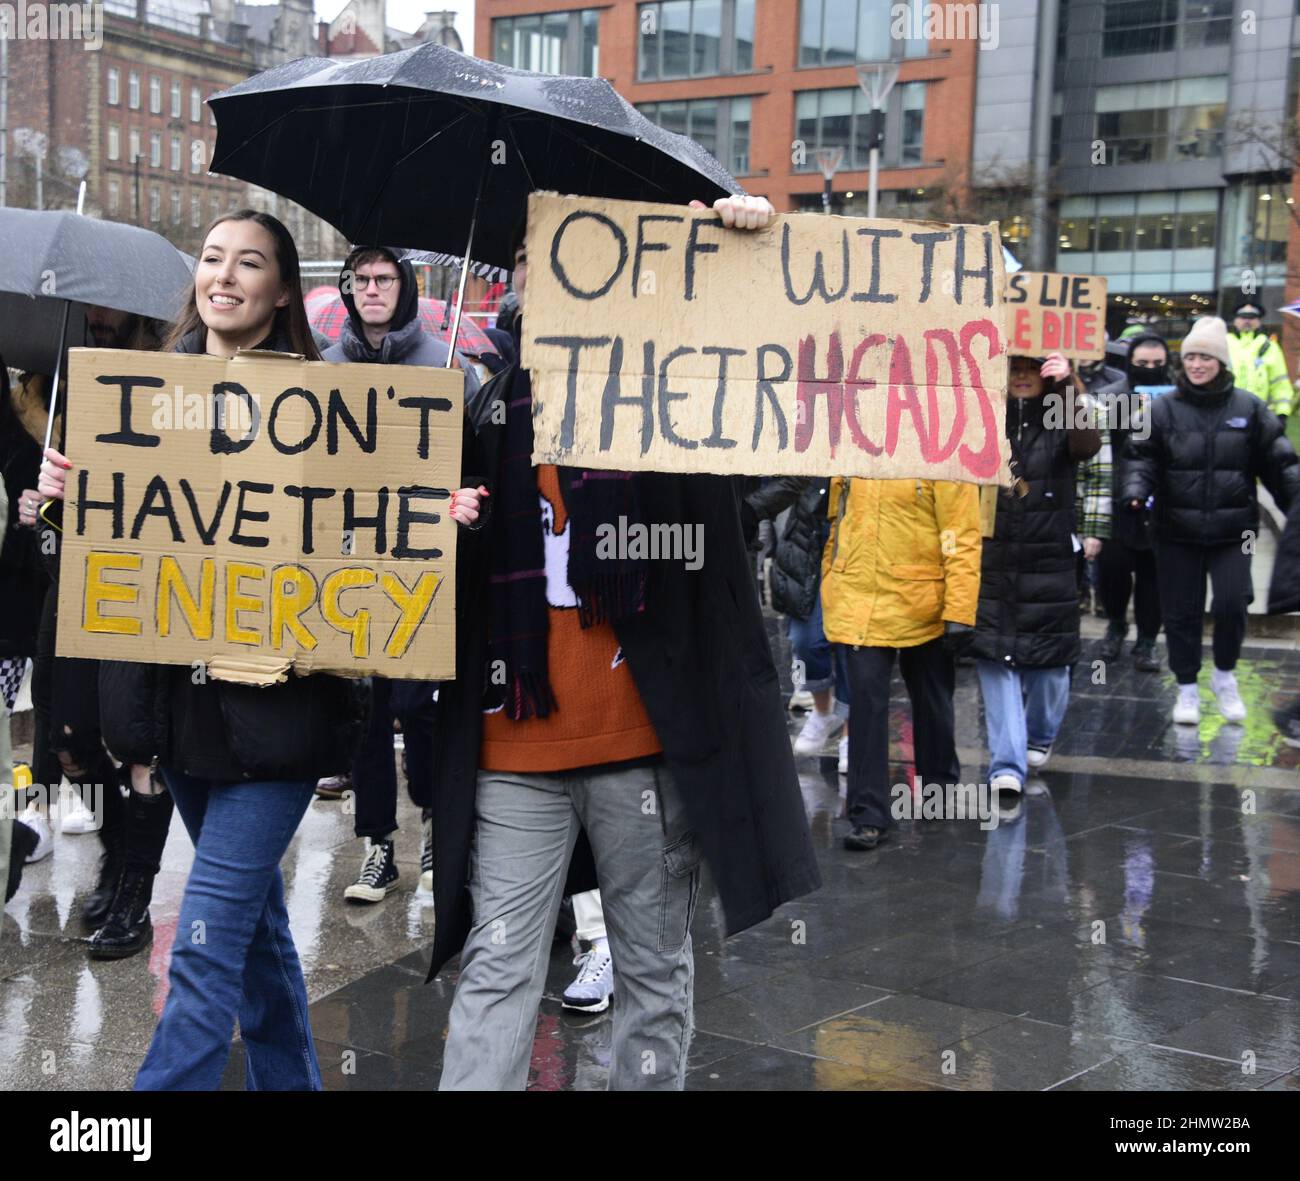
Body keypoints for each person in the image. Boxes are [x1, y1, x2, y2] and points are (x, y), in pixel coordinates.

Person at [430, 195, 820, 1092]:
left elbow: (787, 439)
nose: (552, 267)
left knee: (652, 969)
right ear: (519, 272)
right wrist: (445, 524)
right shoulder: (485, 404)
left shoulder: (673, 384)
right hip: (513, 746)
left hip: (643, 749)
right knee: (496, 970)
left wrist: (737, 258)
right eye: (535, 251)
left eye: (576, 249)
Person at [36, 211, 400, 1089]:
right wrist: (64, 501)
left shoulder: (328, 406)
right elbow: (123, 546)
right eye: (210, 258)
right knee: (258, 939)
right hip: (180, 718)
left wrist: (437, 514)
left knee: (200, 953)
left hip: (278, 722)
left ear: (281, 291)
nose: (223, 275)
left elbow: (373, 539)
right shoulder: (140, 399)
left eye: (249, 263)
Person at [320, 244, 464, 904]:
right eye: (361, 279)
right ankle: (378, 844)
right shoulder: (328, 366)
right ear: (348, 289)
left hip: (423, 563)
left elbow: (474, 460)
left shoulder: (445, 360)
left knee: (417, 703)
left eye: (383, 278)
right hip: (353, 563)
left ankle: (435, 823)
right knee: (368, 711)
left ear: (403, 286)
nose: (371, 288)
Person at [1125, 316, 1300, 726]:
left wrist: (1295, 503)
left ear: (1221, 362)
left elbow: (1278, 461)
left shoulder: (1248, 408)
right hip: (1175, 531)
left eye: (1205, 357)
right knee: (1181, 612)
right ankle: (1187, 688)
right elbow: (1141, 458)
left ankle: (1224, 675)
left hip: (1233, 531)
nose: (1197, 365)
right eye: (1190, 357)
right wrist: (1134, 492)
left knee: (1230, 602)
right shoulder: (1163, 408)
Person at [820, 477, 981, 850]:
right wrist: (832, 579)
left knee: (932, 701)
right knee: (866, 708)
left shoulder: (941, 449)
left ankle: (938, 789)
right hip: (860, 599)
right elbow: (838, 522)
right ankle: (868, 813)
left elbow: (960, 531)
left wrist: (959, 609)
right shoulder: (854, 444)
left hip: (926, 602)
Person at [971, 352, 1101, 793]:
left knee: (1050, 665)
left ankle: (1040, 736)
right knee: (995, 656)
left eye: (1033, 368)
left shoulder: (1062, 412)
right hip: (994, 558)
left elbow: (1086, 447)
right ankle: (1006, 764)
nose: (1023, 376)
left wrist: (1065, 386)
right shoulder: (985, 417)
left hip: (1049, 560)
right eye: (1014, 368)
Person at [743, 477, 851, 770]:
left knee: (849, 642)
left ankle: (849, 732)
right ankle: (822, 709)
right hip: (806, 534)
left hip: (852, 531)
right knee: (806, 639)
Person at [1090, 332, 1171, 670]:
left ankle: (1148, 640)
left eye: (1157, 365)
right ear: (1129, 363)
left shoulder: (1177, 398)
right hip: (1117, 498)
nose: (1150, 370)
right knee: (1112, 572)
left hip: (1163, 502)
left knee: (1155, 578)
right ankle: (1116, 624)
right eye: (1142, 364)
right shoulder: (1108, 398)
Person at [1226, 298, 1291, 423]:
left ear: (1259, 321)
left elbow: (1280, 384)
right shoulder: (1223, 343)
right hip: (1225, 412)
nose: (1247, 321)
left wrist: (1282, 413)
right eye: (1243, 316)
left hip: (1259, 415)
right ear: (1235, 320)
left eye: (1252, 317)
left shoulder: (1269, 347)